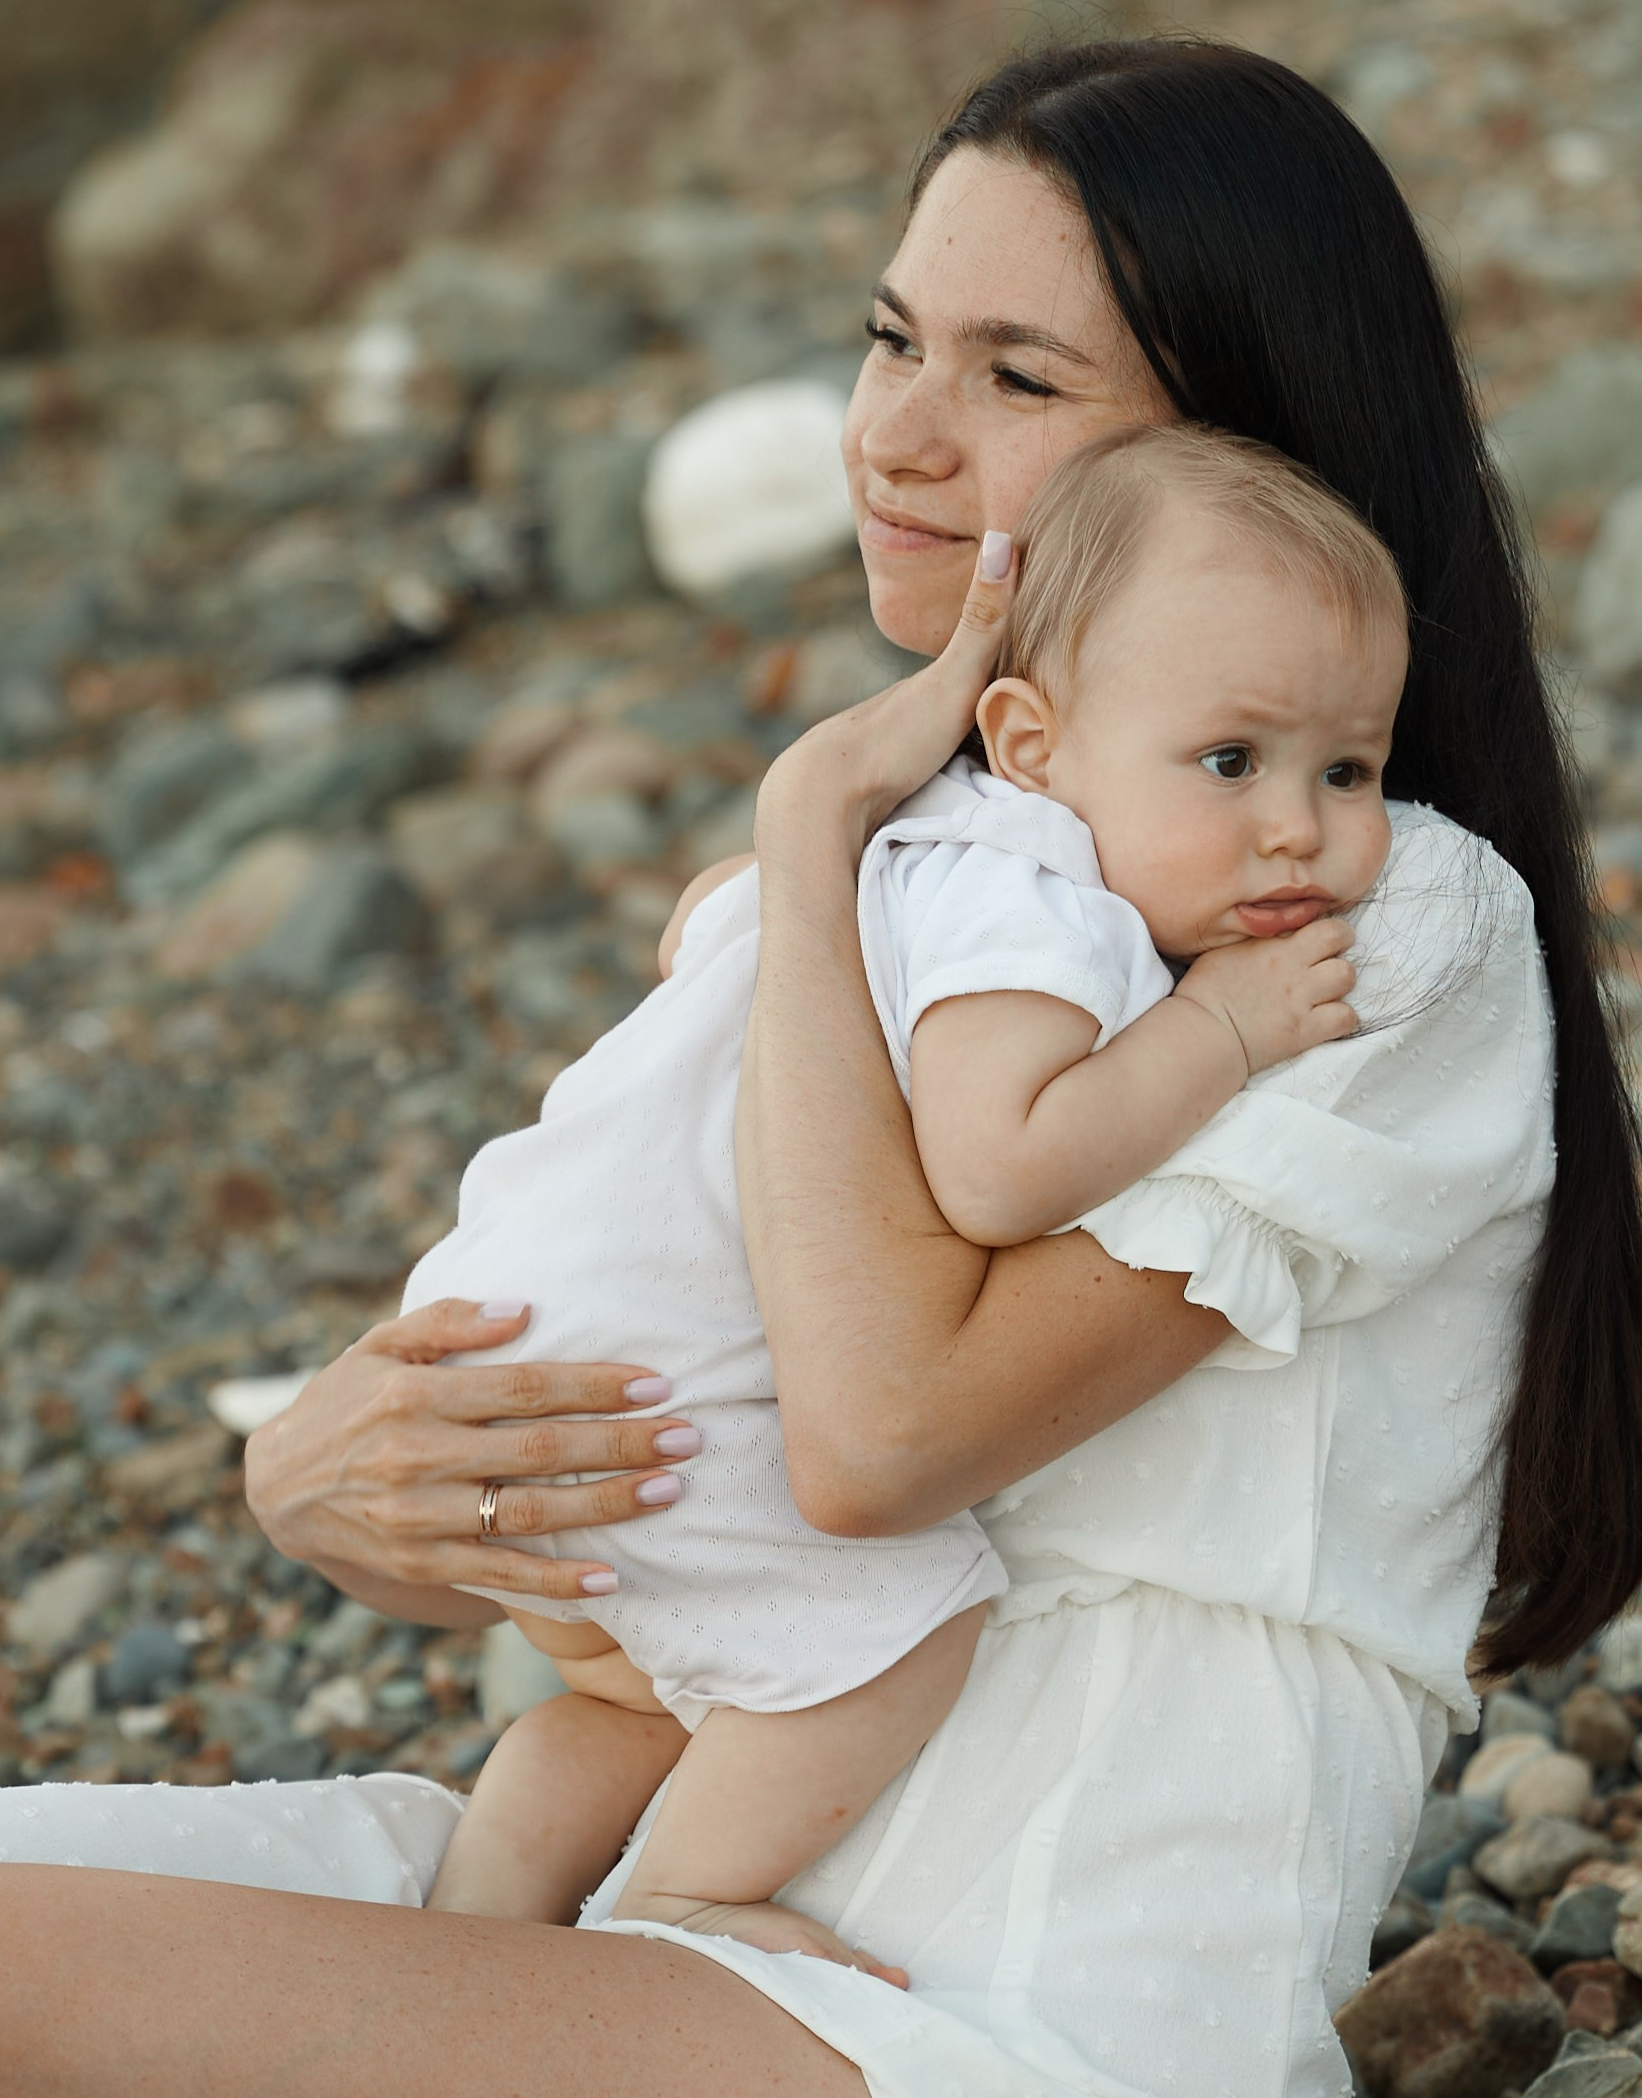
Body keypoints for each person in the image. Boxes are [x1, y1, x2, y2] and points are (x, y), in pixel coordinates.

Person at [0, 39, 1642, 2098]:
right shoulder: (949, 875)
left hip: (984, 2085)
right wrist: (323, 1466)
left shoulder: (1347, 917)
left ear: (1220, 459)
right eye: (891, 337)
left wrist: (798, 828)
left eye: (1014, 380)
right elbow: (665, 1458)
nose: (897, 433)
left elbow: (878, 1435)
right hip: (637, 1898)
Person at [425, 424, 1405, 1948]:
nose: (1299, 823)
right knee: (900, 1627)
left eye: (1347, 769)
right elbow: (997, 1165)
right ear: (1027, 742)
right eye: (1230, 759)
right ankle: (685, 1898)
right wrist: (1221, 1025)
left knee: (653, 1697)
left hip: (518, 1319)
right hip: (655, 1388)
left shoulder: (901, 848)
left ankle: (484, 1918)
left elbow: (699, 936)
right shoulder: (1042, 900)